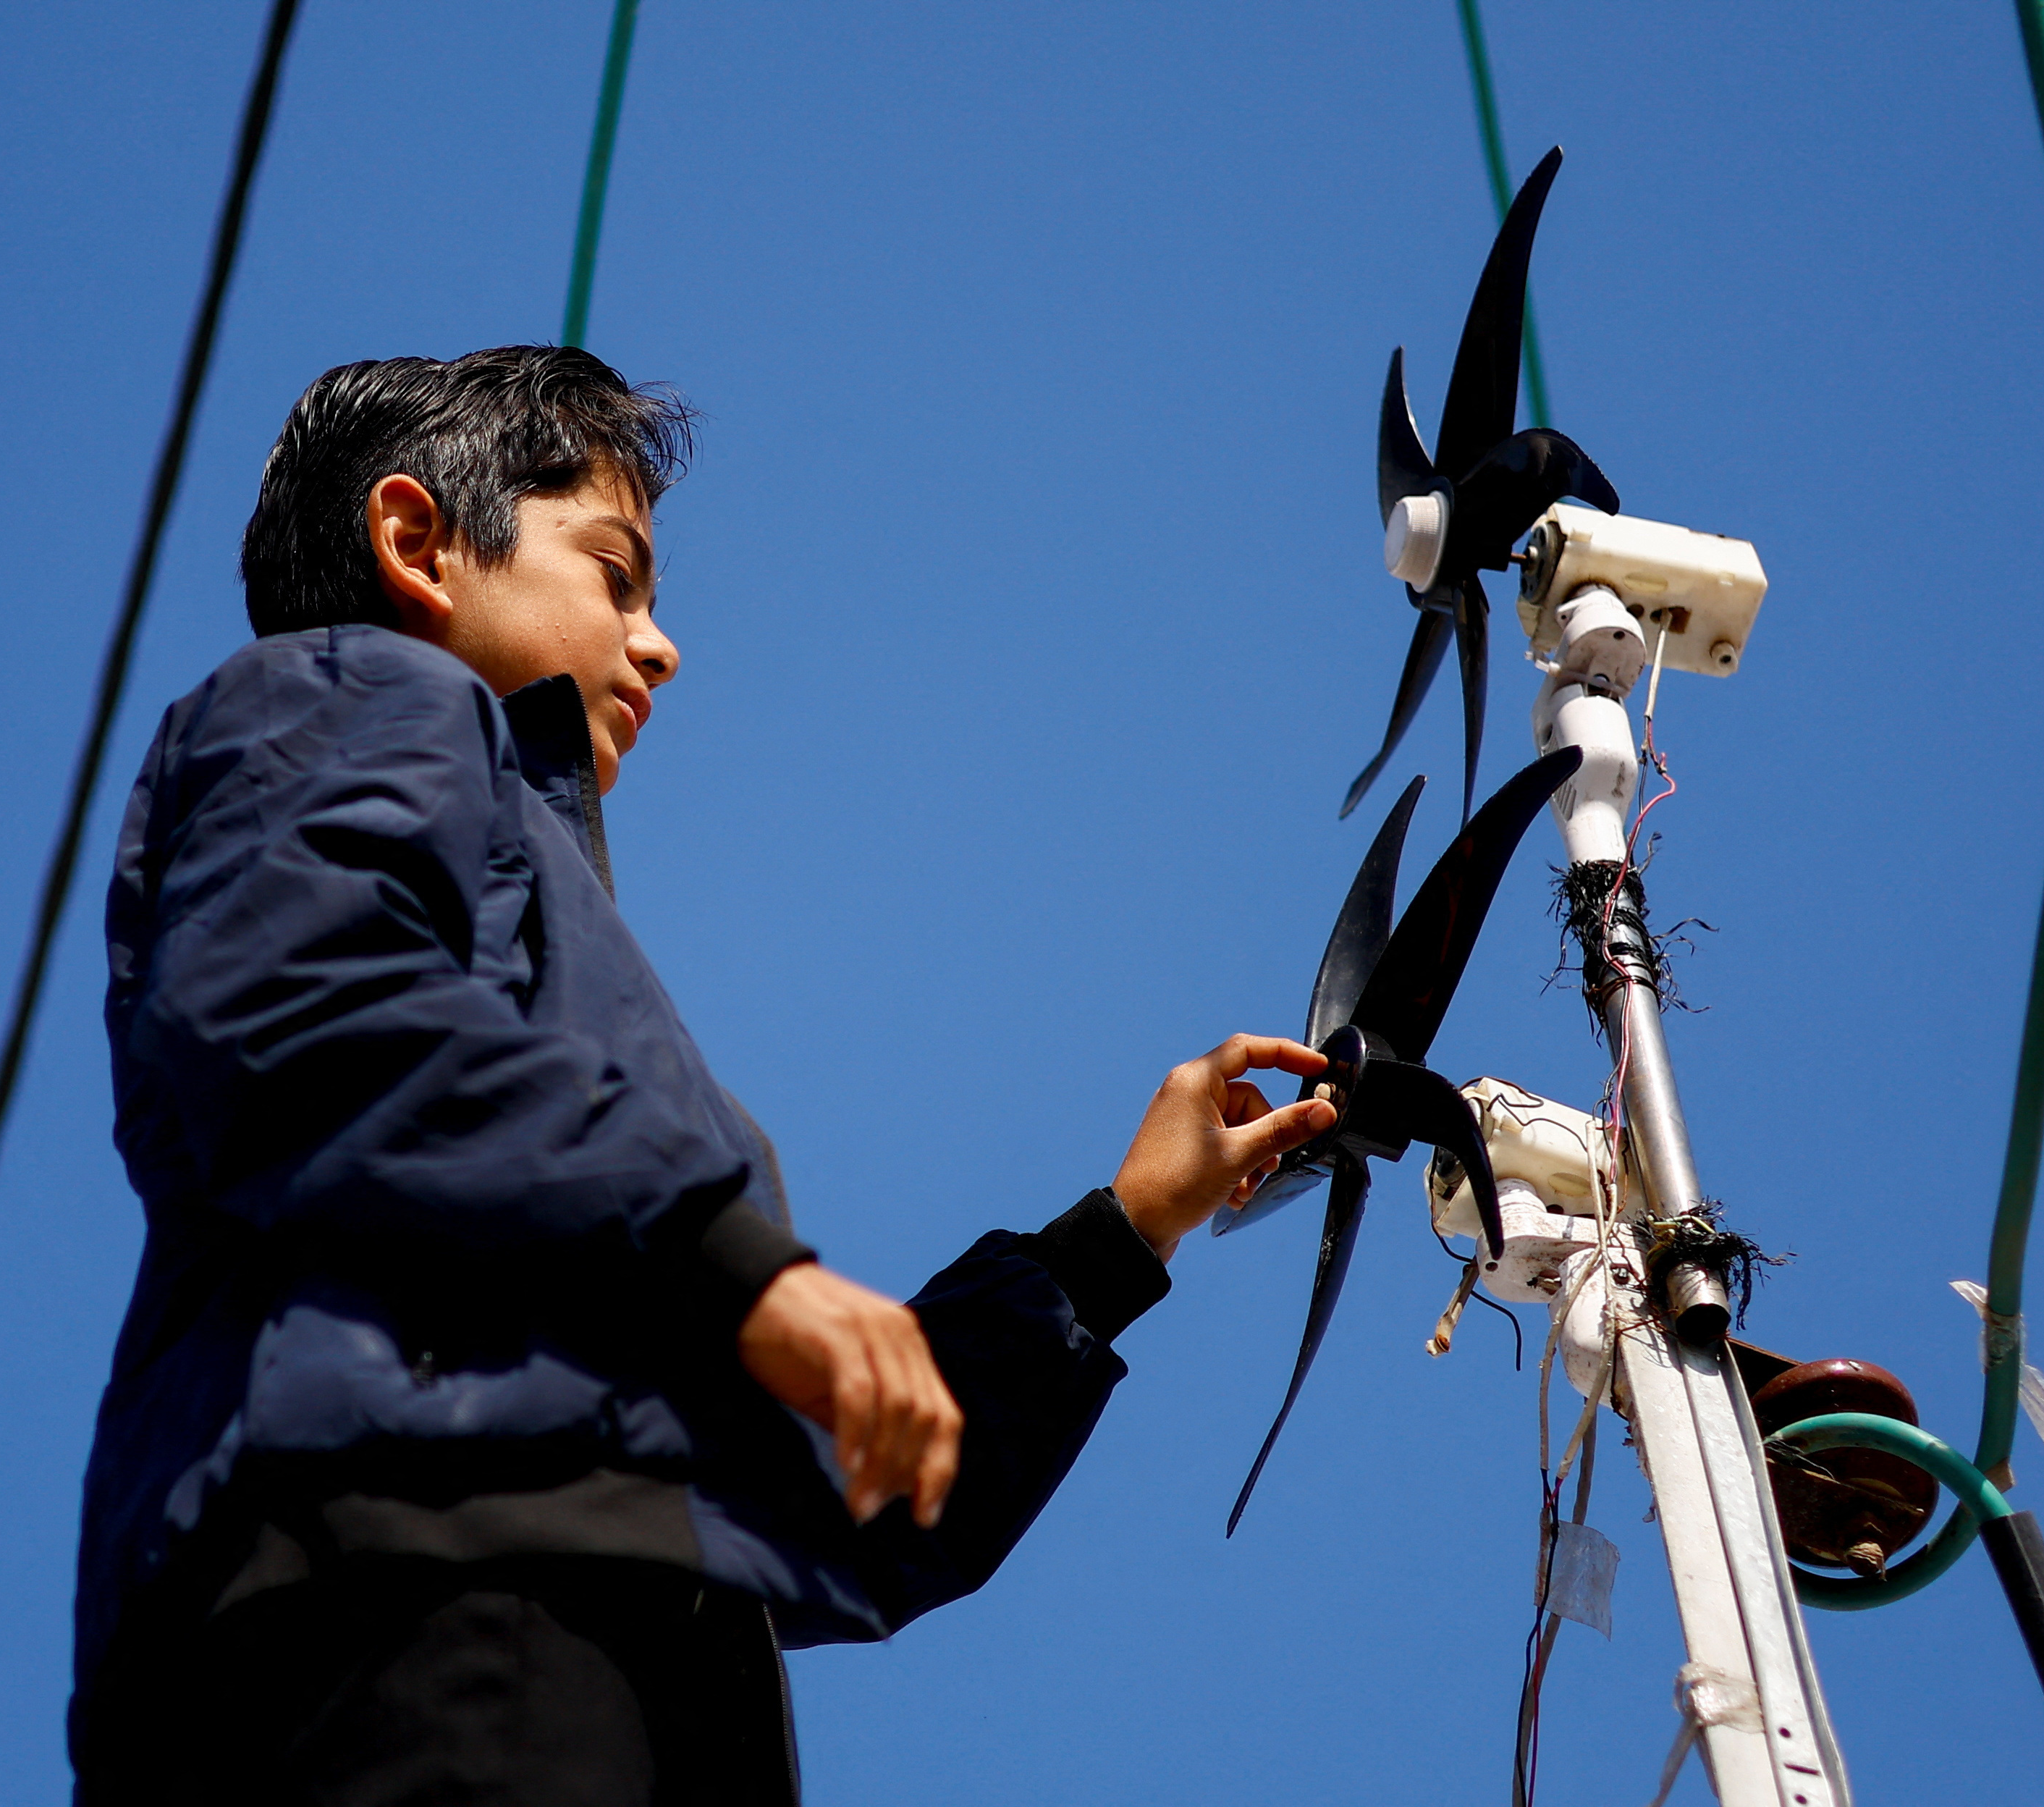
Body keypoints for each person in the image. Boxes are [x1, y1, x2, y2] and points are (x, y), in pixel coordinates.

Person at [69, 345, 1336, 1806]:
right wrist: (734, 1268)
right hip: (407, 1603)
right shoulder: (338, 699)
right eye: (617, 576)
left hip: (604, 1661)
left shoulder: (568, 1011)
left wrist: (1118, 1242)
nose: (660, 645)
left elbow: (862, 1494)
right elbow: (320, 1015)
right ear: (418, 543)